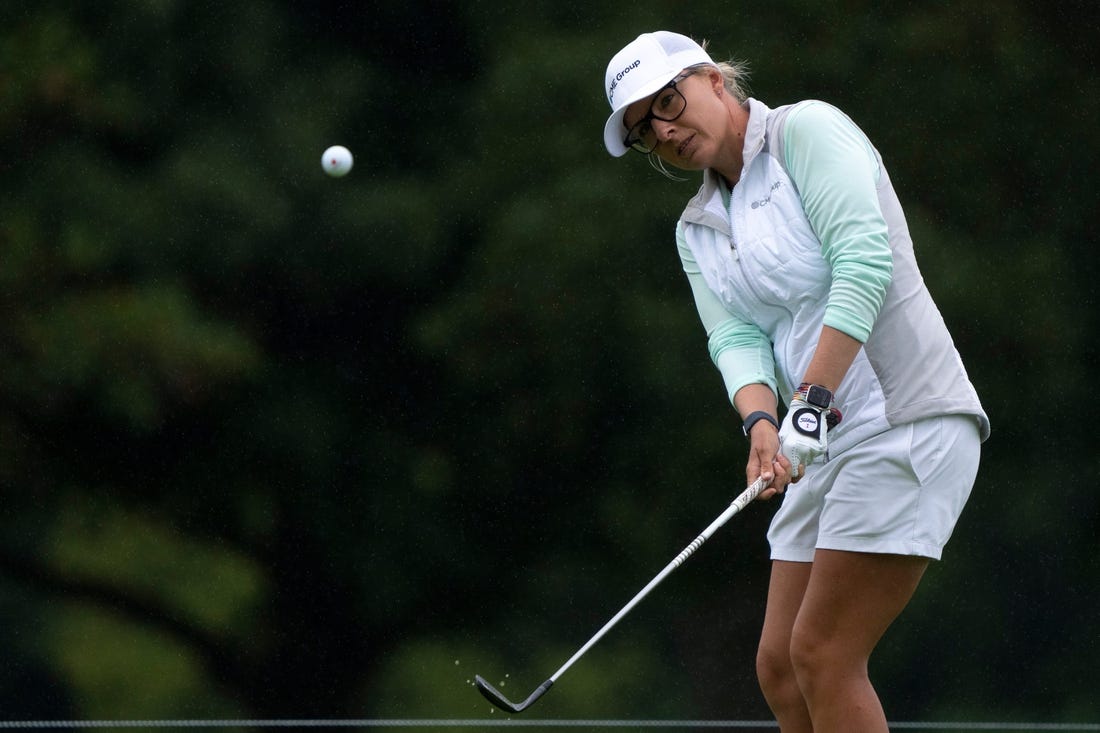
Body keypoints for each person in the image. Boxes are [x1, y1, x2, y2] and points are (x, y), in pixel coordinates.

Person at [602, 31, 990, 733]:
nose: (664, 130)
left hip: (908, 419)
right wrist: (760, 424)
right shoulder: (697, 229)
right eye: (643, 132)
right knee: (779, 665)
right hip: (822, 439)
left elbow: (864, 262)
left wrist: (808, 403)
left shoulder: (806, 131)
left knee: (822, 653)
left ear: (715, 80)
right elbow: (737, 337)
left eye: (668, 101)